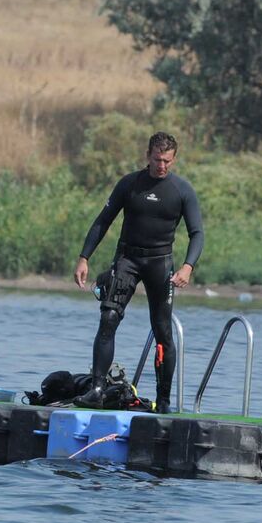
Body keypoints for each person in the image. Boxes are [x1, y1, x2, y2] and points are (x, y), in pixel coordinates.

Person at [73, 132, 204, 413]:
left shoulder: (182, 190)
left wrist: (187, 267)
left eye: (167, 161)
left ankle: (164, 401)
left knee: (163, 331)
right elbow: (102, 221)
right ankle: (97, 389)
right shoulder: (129, 184)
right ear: (148, 156)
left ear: (174, 159)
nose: (162, 166)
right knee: (108, 318)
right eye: (157, 160)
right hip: (127, 259)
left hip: (161, 264)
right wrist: (84, 257)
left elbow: (197, 234)